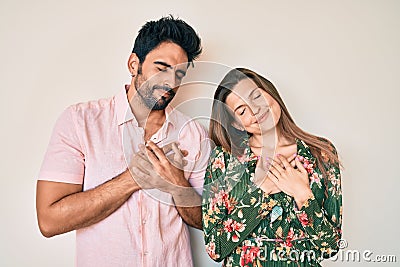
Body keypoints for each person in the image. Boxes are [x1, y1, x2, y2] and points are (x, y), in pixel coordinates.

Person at [36, 16, 210, 267]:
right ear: (133, 64)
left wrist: (176, 184)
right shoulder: (80, 122)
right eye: (161, 68)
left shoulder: (193, 134)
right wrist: (131, 179)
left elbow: (210, 221)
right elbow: (49, 220)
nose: (171, 83)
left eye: (179, 74)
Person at [202, 68, 342, 266]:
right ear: (237, 124)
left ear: (271, 93)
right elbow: (215, 248)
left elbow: (331, 247)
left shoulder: (321, 153)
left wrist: (302, 195)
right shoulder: (224, 159)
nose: (256, 110)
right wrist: (262, 191)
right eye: (242, 110)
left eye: (256, 96)